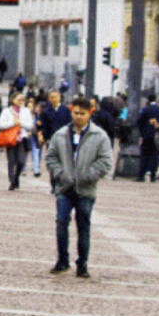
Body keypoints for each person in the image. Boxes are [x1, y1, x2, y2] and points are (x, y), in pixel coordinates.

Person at [46, 96, 112, 277]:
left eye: (82, 114)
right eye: (75, 113)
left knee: (83, 226)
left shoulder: (99, 136)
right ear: (71, 111)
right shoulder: (60, 134)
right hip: (65, 188)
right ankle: (62, 260)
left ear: (89, 114)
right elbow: (51, 157)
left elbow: (106, 162)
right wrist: (61, 174)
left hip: (86, 189)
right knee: (61, 222)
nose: (78, 117)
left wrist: (87, 176)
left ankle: (82, 263)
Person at [0, 92, 35, 190]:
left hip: (22, 138)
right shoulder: (7, 111)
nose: (21, 102)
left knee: (21, 161)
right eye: (19, 99)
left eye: (22, 100)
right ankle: (12, 181)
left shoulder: (26, 111)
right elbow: (0, 124)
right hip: (11, 138)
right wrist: (13, 123)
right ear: (13, 100)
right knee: (11, 161)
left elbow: (30, 125)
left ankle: (16, 177)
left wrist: (21, 123)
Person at [135, 94, 159, 182]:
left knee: (145, 155)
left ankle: (141, 175)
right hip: (157, 135)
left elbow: (139, 121)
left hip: (147, 135)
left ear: (148, 100)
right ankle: (153, 175)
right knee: (155, 155)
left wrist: (142, 132)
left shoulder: (145, 109)